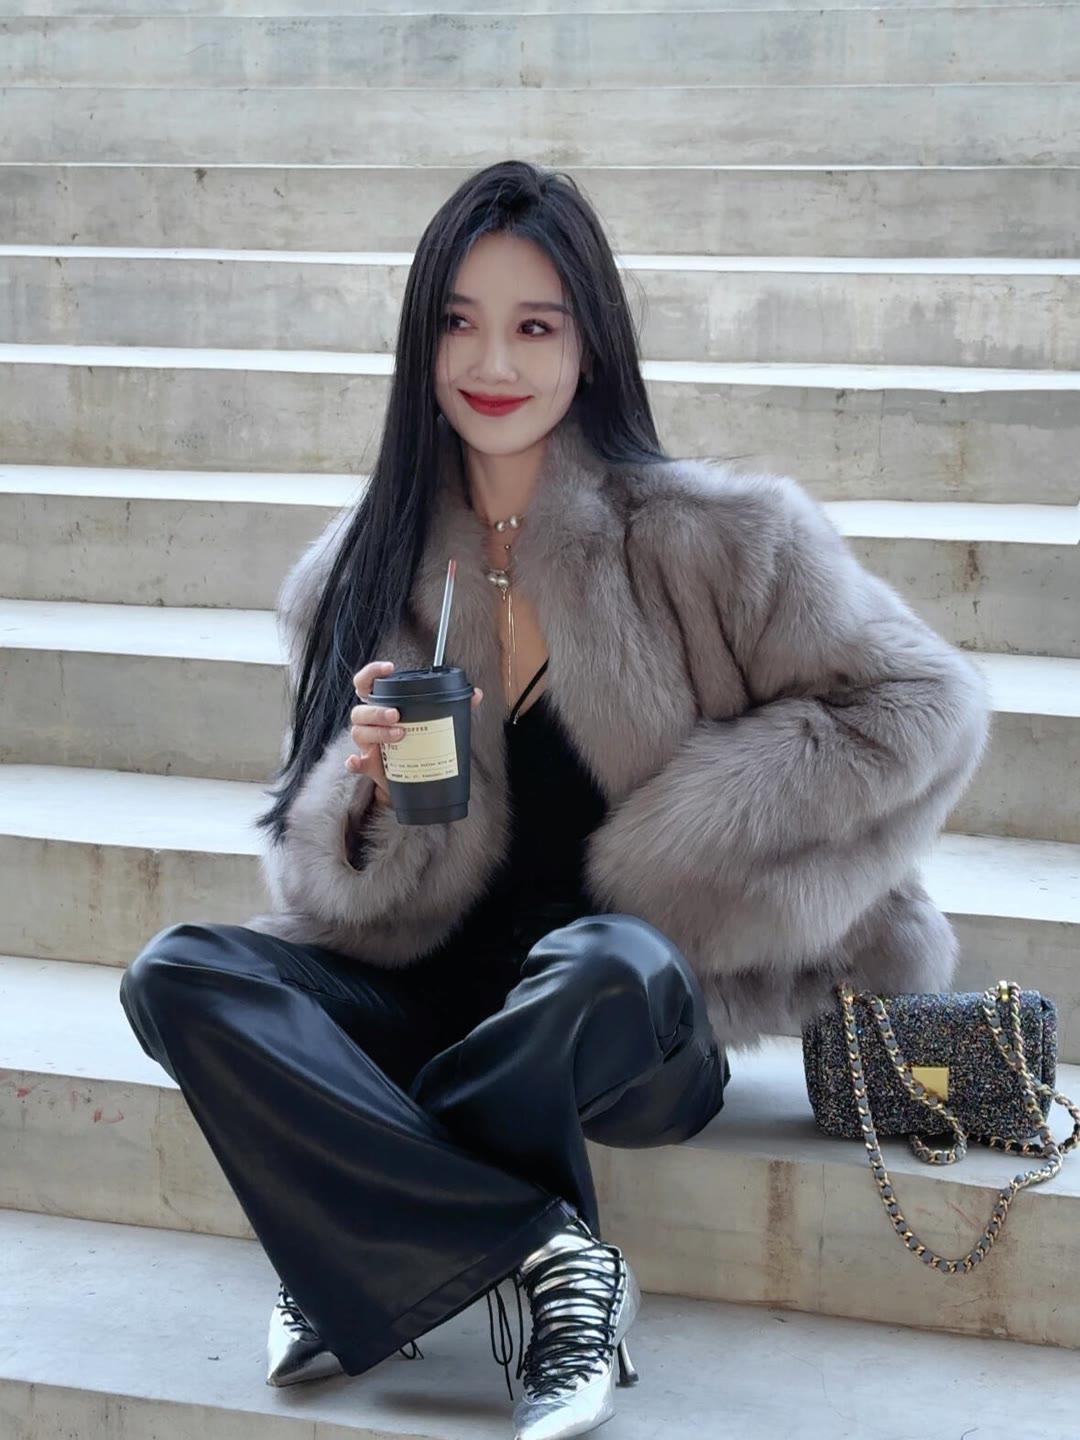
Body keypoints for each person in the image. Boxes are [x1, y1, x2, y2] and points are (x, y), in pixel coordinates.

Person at [118, 159, 990, 1440]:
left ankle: (356, 1239)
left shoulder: (721, 538)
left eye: (535, 325)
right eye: (459, 322)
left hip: (634, 1012)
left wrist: (690, 846)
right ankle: (548, 1259)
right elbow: (320, 892)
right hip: (432, 992)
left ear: (591, 344)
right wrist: (362, 797)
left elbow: (923, 706)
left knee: (600, 960)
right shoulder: (353, 572)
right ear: (421, 344)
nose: (493, 362)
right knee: (180, 974)